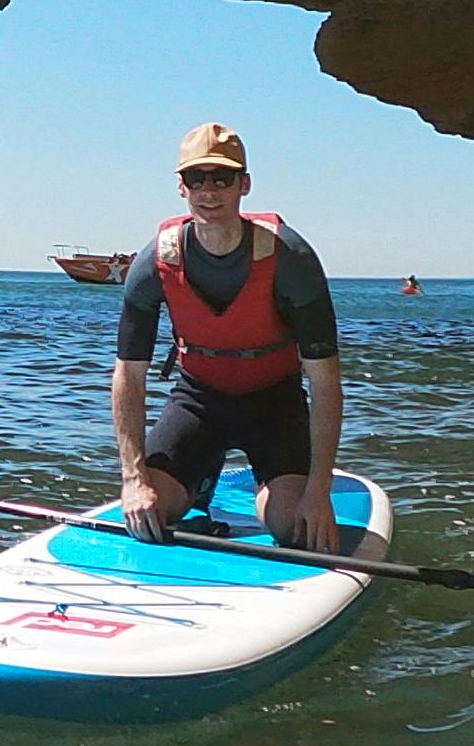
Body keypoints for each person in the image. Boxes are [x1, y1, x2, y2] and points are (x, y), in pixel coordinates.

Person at [109, 121, 345, 552]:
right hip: (199, 400)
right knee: (152, 514)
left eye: (223, 177)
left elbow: (326, 381)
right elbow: (129, 376)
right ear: (181, 187)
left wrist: (318, 491)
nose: (210, 190)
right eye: (196, 178)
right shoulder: (154, 263)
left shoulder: (292, 259)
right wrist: (133, 480)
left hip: (275, 403)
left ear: (244, 184)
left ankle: (271, 485)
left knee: (294, 529)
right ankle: (198, 477)